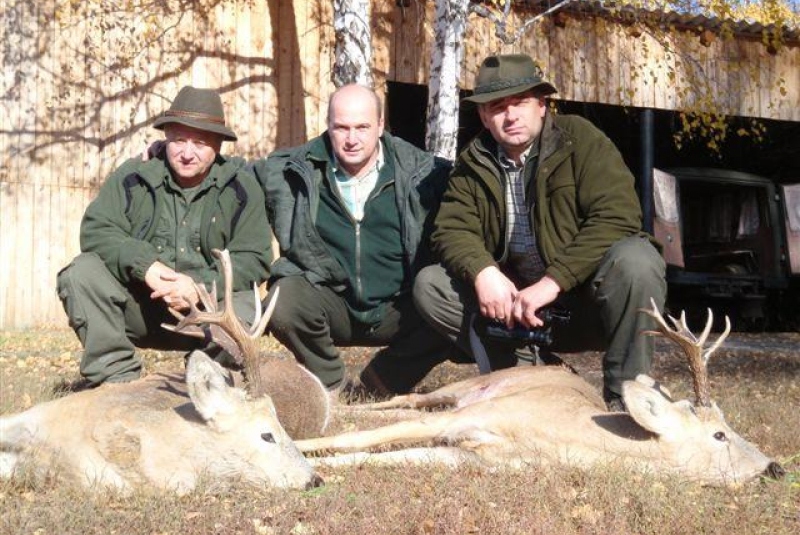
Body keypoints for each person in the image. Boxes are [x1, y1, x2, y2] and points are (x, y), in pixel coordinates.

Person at [413, 54, 667, 411]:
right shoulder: (472, 162)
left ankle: (627, 398)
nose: (510, 115)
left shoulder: (581, 140)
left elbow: (617, 217)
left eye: (520, 102)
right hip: (519, 314)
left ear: (543, 105)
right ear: (485, 117)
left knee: (637, 261)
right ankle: (536, 378)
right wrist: (485, 273)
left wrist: (552, 282)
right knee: (432, 284)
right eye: (497, 107)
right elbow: (452, 229)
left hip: (587, 304)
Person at [57, 86, 273, 387]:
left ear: (218, 146)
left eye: (199, 142)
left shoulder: (241, 188)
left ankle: (206, 381)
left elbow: (255, 259)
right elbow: (97, 229)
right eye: (179, 140)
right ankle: (116, 382)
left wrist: (198, 290)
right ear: (165, 137)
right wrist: (146, 266)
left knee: (248, 304)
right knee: (80, 273)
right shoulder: (134, 176)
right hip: (145, 309)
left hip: (211, 317)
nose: (187, 153)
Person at [251, 84, 453, 396]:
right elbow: (232, 176)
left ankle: (383, 382)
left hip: (401, 308)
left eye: (362, 127)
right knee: (284, 301)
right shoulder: (292, 170)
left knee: (448, 296)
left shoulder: (425, 172)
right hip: (333, 304)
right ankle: (332, 384)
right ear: (328, 126)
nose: (351, 139)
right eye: (341, 127)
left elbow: (477, 181)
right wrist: (161, 157)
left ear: (381, 125)